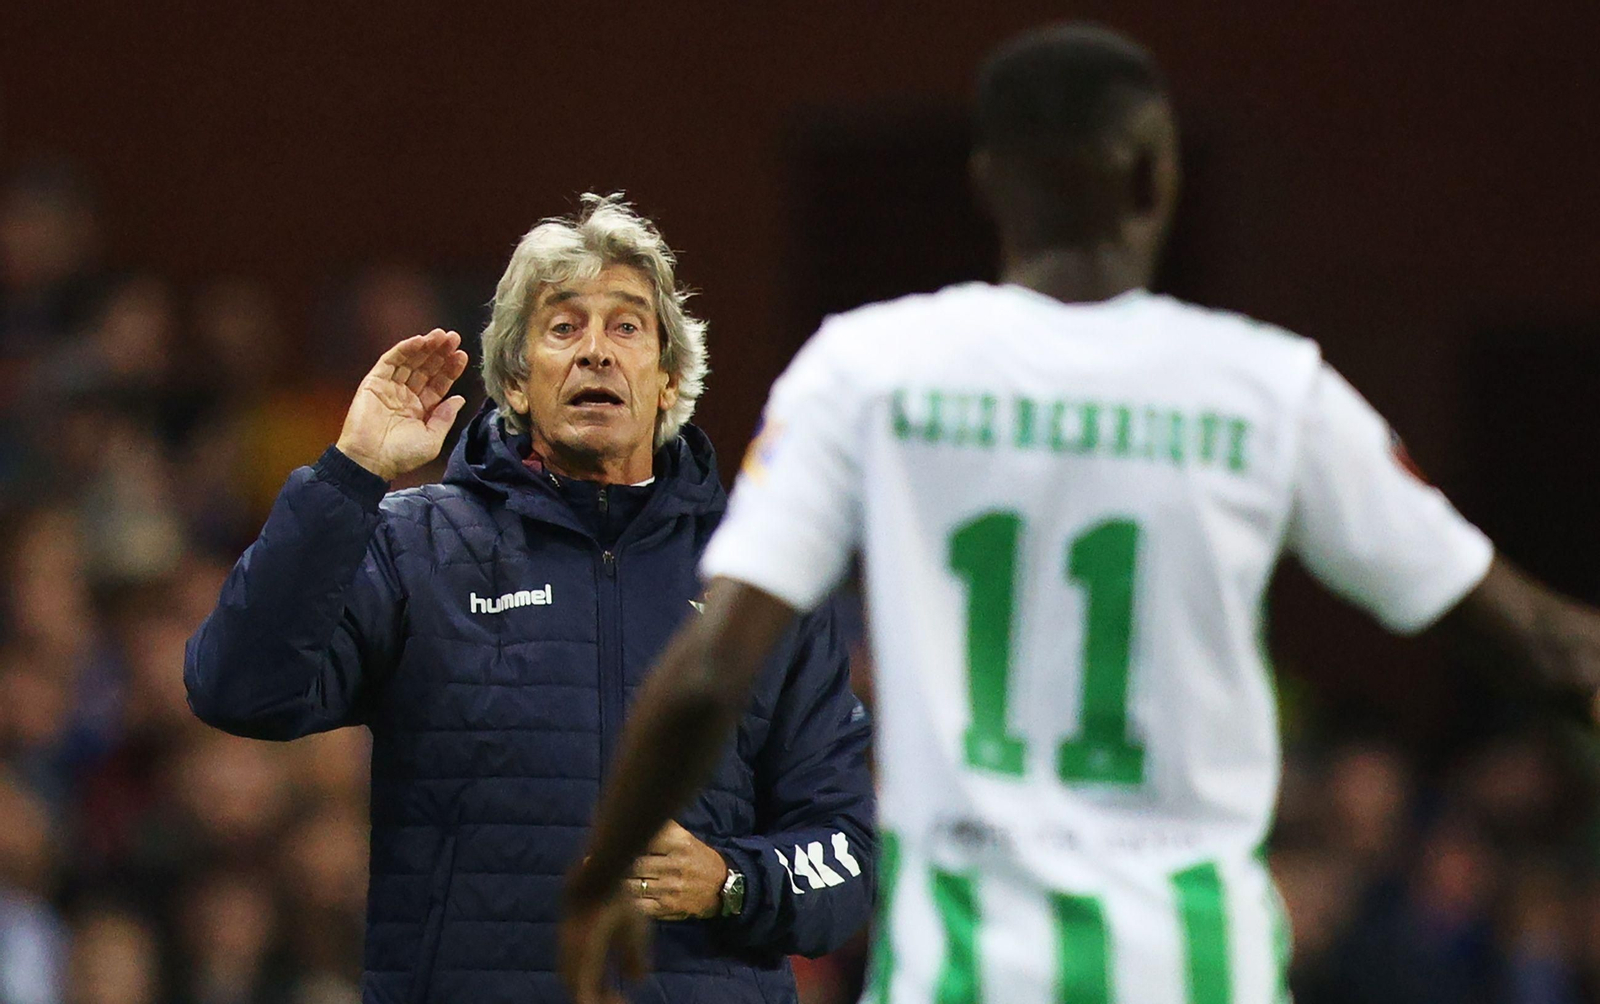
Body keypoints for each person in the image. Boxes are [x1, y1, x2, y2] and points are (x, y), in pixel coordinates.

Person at [559, 24, 1600, 1004]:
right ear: (1157, 178)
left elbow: (709, 669)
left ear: (988, 185)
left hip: (964, 970)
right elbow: (1552, 650)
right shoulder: (1268, 390)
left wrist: (605, 868)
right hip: (1199, 969)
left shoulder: (867, 369)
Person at [185, 195, 875, 1003]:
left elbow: (847, 857)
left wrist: (731, 879)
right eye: (562, 328)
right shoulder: (416, 545)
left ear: (669, 379)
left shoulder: (762, 574)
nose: (596, 353)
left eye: (626, 327)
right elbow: (238, 689)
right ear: (514, 379)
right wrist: (349, 474)